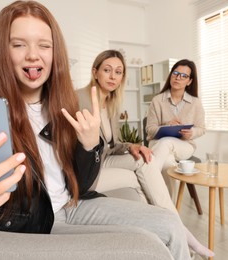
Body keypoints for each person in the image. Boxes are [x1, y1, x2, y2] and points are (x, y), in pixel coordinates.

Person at [0, 1, 190, 259]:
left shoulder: (63, 105)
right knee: (150, 246)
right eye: (19, 44)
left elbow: (83, 185)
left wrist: (89, 146)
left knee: (168, 223)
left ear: (55, 53)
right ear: (2, 51)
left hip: (76, 205)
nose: (33, 54)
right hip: (38, 221)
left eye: (44, 45)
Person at [77, 50, 214, 258]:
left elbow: (110, 144)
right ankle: (182, 235)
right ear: (95, 72)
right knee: (147, 169)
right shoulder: (78, 98)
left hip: (110, 158)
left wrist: (131, 145)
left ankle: (164, 235)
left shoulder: (111, 104)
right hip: (87, 169)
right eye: (107, 70)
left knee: (145, 161)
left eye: (118, 72)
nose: (113, 76)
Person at [145, 59, 205, 199]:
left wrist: (192, 132)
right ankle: (168, 207)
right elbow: (150, 129)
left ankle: (147, 177)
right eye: (175, 73)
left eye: (183, 76)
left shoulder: (195, 103)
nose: (178, 77)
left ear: (189, 81)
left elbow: (201, 128)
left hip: (185, 145)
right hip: (158, 145)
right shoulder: (157, 100)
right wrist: (167, 125)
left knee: (167, 142)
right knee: (167, 163)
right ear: (171, 75)